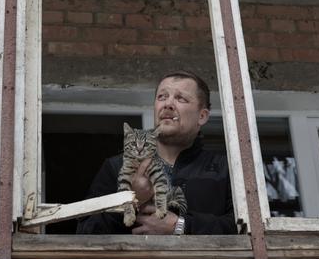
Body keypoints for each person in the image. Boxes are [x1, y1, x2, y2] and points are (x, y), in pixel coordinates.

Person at [76, 70, 237, 235]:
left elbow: (244, 228)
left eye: (180, 98)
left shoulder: (225, 169)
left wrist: (181, 226)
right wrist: (131, 199)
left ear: (202, 116)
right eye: (162, 97)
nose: (168, 104)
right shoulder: (116, 166)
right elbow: (86, 232)